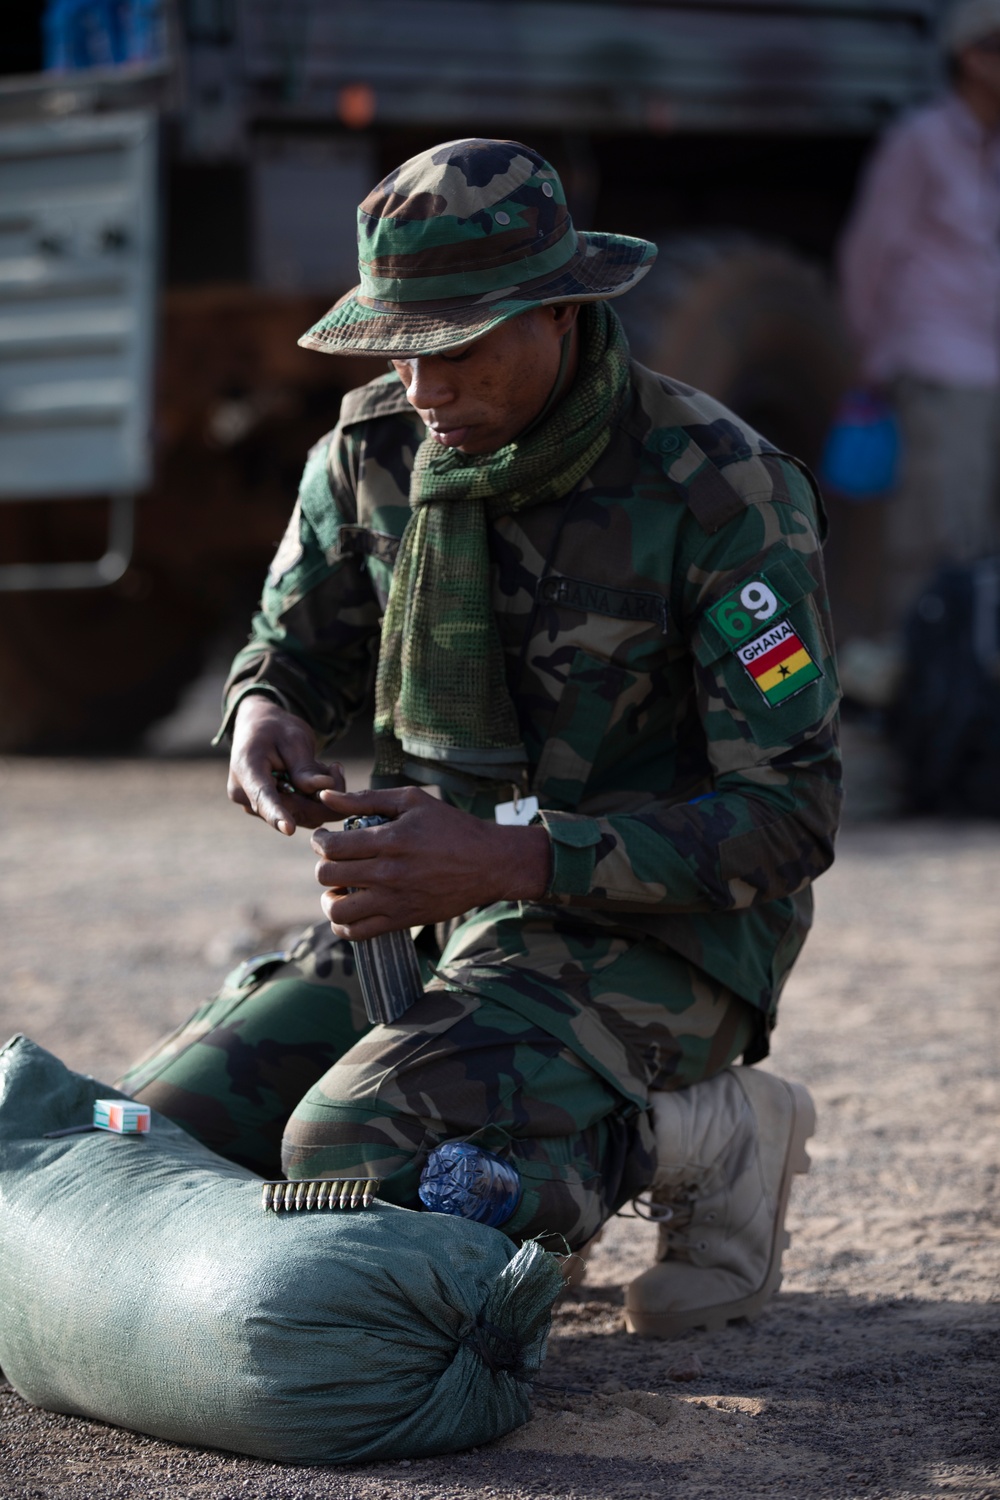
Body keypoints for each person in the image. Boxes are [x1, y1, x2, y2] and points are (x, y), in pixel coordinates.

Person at [122, 139, 840, 1339]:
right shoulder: (372, 456)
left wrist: (515, 860)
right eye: (396, 342)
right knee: (153, 1138)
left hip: (657, 931)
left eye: (453, 344)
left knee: (346, 1149)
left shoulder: (718, 494)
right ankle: (491, 1196)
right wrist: (265, 717)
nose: (420, 383)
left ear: (561, 312)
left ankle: (704, 1137)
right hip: (434, 913)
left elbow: (790, 818)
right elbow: (287, 651)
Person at [838, 0, 1000, 639]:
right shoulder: (920, 142)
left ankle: (972, 690)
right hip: (937, 362)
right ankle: (918, 684)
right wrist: (871, 353)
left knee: (984, 537)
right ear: (973, 56)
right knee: (935, 537)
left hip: (990, 364)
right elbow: (869, 252)